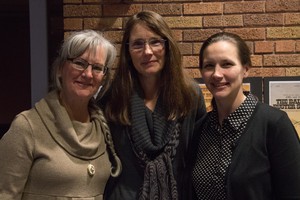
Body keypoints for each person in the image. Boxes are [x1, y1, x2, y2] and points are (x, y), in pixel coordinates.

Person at [0, 29, 122, 200]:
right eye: (79, 63)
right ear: (60, 69)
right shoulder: (26, 127)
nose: (87, 74)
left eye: (97, 68)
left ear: (103, 78)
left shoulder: (101, 129)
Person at [97, 11, 206, 200]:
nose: (147, 52)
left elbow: (198, 159)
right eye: (138, 44)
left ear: (167, 46)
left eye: (155, 42)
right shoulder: (112, 97)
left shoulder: (190, 95)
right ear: (128, 52)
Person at [189, 32, 300, 200]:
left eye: (227, 64)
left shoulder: (274, 124)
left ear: (245, 69)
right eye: (209, 66)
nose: (217, 74)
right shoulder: (200, 129)